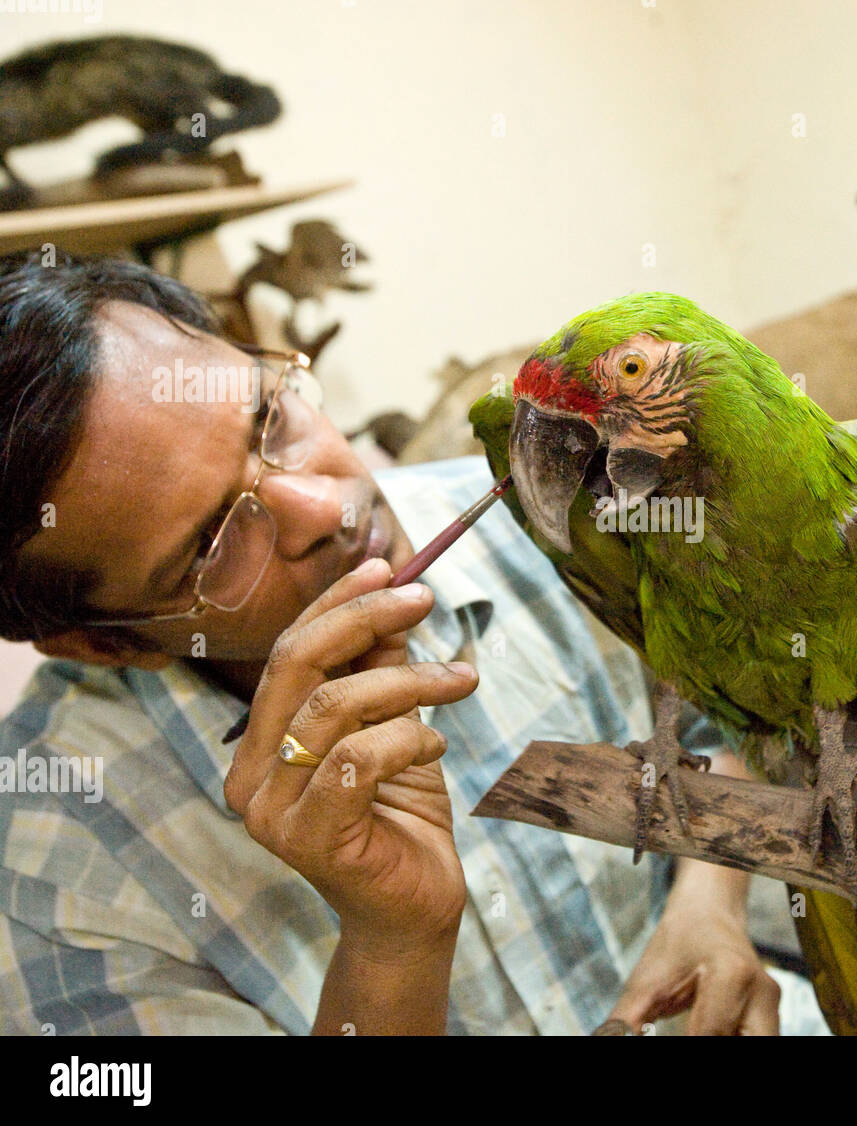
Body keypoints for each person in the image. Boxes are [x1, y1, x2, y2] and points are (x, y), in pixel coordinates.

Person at [0, 251, 795, 1035]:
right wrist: (392, 949)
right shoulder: (50, 873)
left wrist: (709, 907)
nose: (323, 506)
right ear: (105, 645)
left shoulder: (552, 521)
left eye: (269, 418)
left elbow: (722, 728)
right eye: (212, 542)